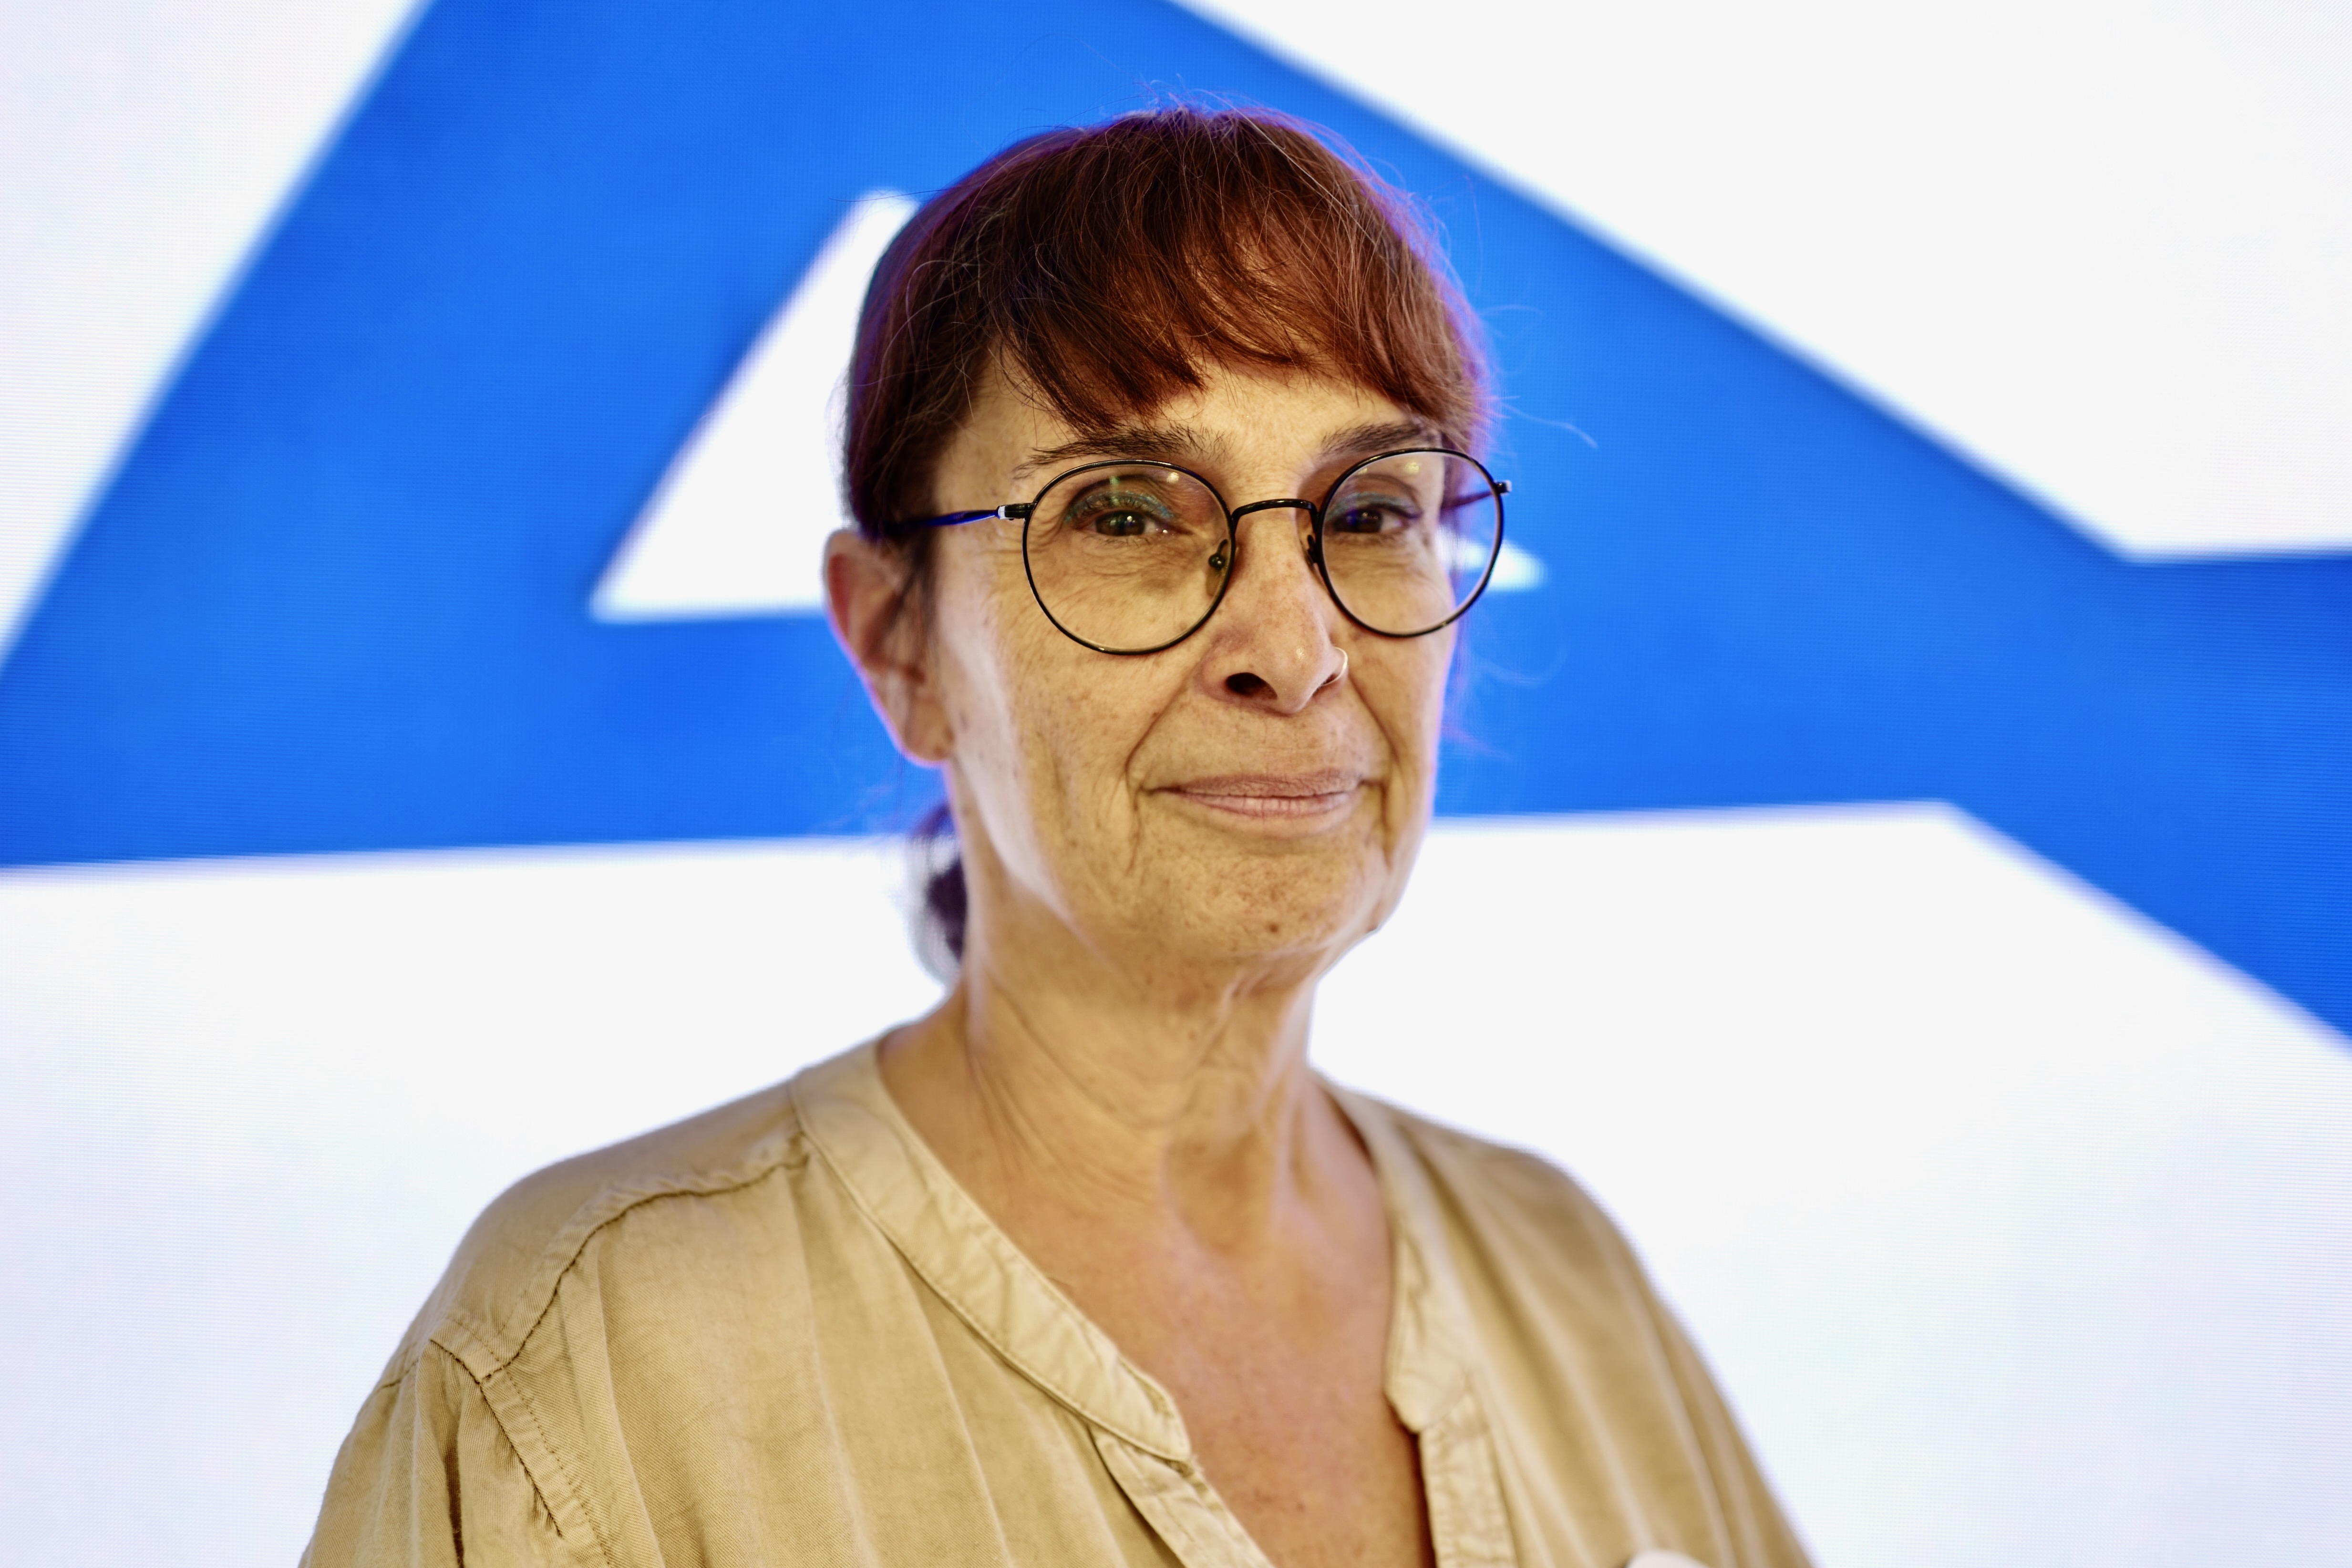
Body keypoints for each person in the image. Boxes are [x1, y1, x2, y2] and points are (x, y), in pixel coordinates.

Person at [305, 107, 1811, 1568]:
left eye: (1367, 511)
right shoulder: (591, 1364)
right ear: (899, 645)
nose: (1293, 653)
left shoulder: (1566, 1283)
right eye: (1127, 514)